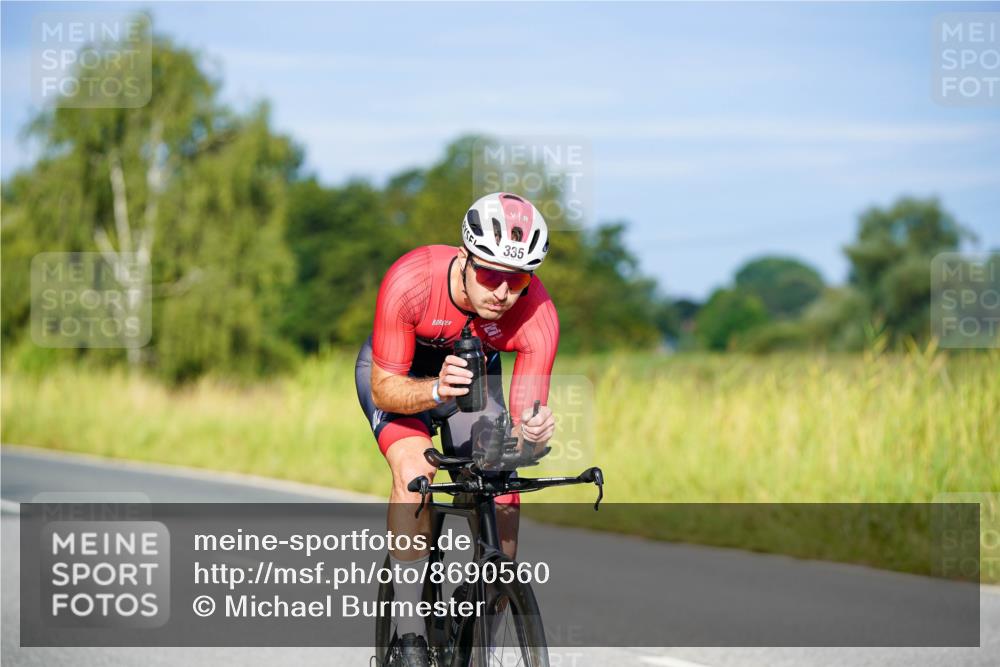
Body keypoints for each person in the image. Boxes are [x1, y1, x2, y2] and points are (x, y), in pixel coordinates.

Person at [355, 192, 559, 666]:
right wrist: (434, 394)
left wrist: (531, 438)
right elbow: (384, 389)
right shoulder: (412, 279)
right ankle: (408, 634)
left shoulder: (537, 315)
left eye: (518, 279)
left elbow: (526, 416)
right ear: (465, 258)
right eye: (489, 274)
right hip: (400, 373)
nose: (503, 293)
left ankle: (483, 630)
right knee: (414, 471)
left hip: (473, 375)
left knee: (502, 486)